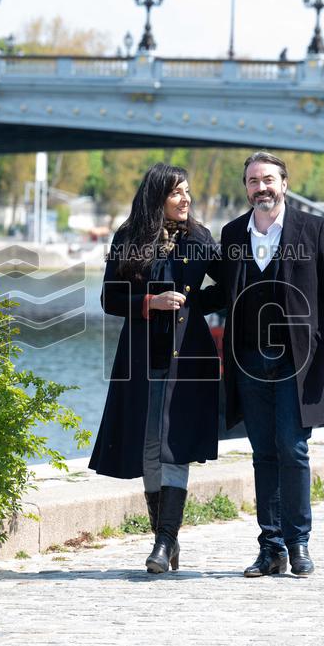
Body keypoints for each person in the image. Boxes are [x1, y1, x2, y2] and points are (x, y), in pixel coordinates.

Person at [205, 151, 324, 577]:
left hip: (299, 360)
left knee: (292, 448)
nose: (261, 188)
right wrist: (179, 302)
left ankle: (299, 543)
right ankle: (270, 547)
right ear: (247, 188)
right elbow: (221, 289)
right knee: (262, 453)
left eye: (268, 179)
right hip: (249, 360)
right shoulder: (234, 232)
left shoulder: (314, 228)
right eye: (253, 181)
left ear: (284, 184)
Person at [89, 162, 222, 574]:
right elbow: (109, 299)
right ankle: (163, 538)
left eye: (188, 192)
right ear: (157, 196)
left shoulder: (200, 238)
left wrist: (194, 304)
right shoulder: (128, 238)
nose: (186, 199)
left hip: (189, 359)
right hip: (142, 359)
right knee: (149, 447)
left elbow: (231, 285)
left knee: (174, 446)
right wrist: (151, 303)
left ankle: (164, 542)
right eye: (177, 192)